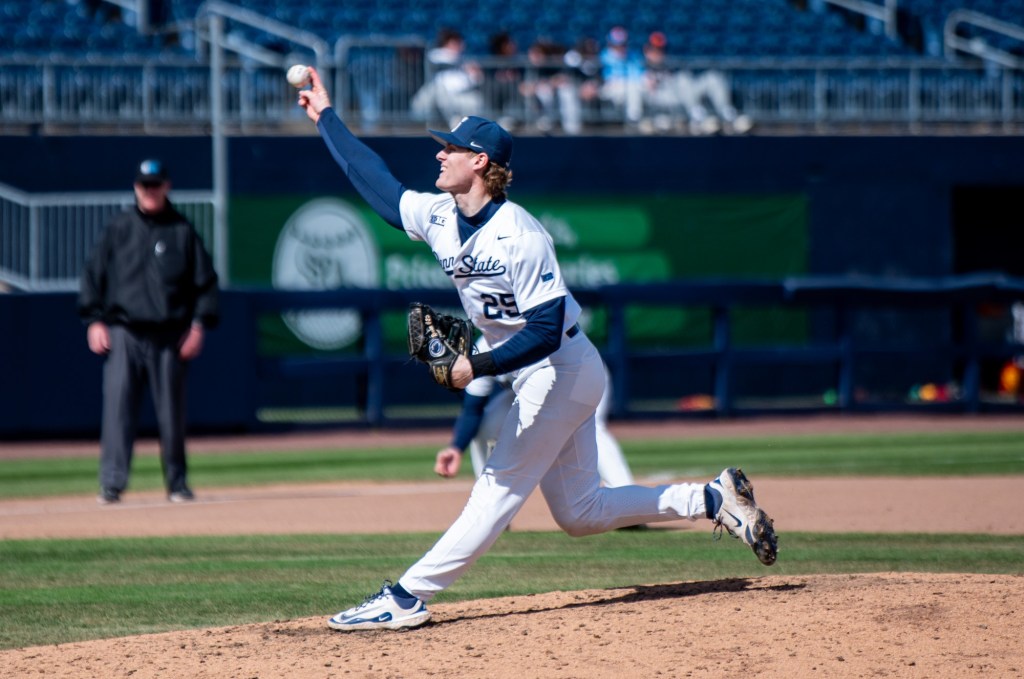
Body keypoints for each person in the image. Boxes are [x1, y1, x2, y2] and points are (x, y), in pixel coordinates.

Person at [296, 68, 777, 632]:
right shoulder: (440, 217)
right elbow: (375, 181)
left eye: (450, 148)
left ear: (480, 162)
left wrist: (475, 364)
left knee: (499, 485)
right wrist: (327, 118)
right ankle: (711, 500)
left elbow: (546, 329)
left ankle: (406, 596)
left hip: (561, 369)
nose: (439, 155)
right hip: (538, 374)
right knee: (580, 513)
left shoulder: (521, 235)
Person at [78, 159, 220, 505]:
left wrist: (199, 326)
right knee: (117, 409)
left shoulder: (181, 231)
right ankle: (111, 483)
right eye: (144, 185)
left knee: (171, 414)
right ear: (136, 188)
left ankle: (177, 482)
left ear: (167, 187)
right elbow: (92, 276)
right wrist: (94, 320)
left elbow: (206, 284)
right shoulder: (119, 228)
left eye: (155, 184)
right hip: (124, 332)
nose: (150, 191)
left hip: (168, 335)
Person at [434, 336, 634, 487]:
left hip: (581, 375)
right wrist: (456, 447)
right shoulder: (482, 348)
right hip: (527, 391)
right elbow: (472, 410)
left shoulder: (534, 330)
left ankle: (626, 497)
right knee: (485, 428)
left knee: (590, 426)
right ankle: (487, 503)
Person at [641, 31, 753, 136]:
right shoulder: (640, 67)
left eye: (661, 50)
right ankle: (698, 116)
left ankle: (727, 113)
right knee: (682, 79)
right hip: (664, 101)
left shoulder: (669, 65)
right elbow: (643, 90)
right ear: (647, 50)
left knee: (712, 77)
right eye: (655, 50)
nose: (658, 53)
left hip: (683, 96)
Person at [410, 28, 485, 128]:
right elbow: (440, 57)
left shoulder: (463, 61)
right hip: (436, 96)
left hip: (458, 95)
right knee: (440, 92)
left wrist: (473, 72)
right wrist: (464, 64)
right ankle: (452, 122)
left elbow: (476, 79)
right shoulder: (436, 55)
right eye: (455, 43)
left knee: (475, 100)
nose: (459, 46)